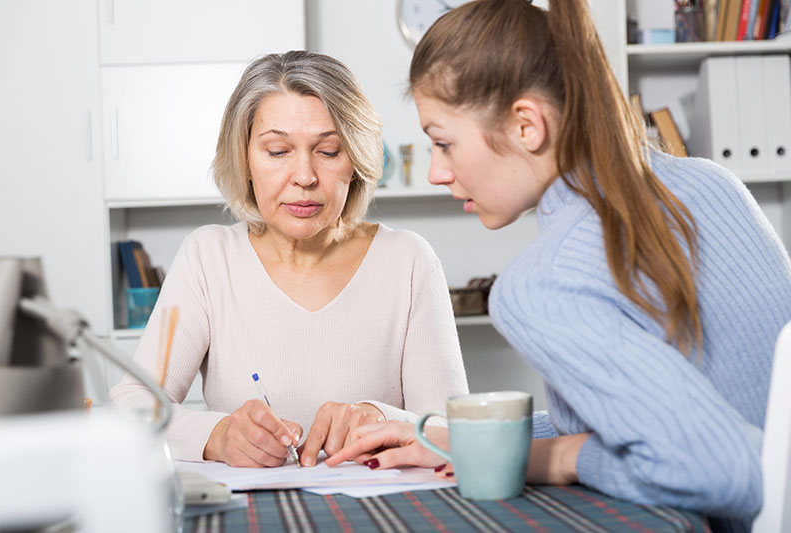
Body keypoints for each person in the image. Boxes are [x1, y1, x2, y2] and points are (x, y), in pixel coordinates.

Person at [325, 1, 791, 531]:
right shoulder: (710, 183)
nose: (436, 171)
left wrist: (549, 459)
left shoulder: (541, 286)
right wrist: (457, 439)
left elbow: (728, 469)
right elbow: (647, 420)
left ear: (527, 125)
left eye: (444, 143)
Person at [110, 51, 468, 468]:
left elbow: (452, 430)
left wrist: (379, 417)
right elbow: (130, 405)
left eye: (329, 151)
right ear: (245, 160)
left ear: (356, 162)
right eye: (278, 151)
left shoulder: (408, 261)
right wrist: (217, 436)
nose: (304, 176)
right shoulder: (208, 259)